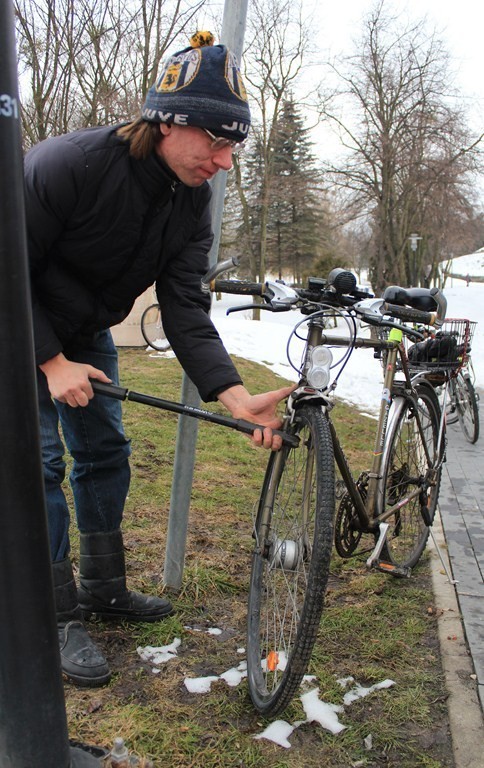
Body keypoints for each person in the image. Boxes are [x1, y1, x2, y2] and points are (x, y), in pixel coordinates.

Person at [25, 32, 294, 688]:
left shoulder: (190, 201)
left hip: (85, 330)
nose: (226, 161)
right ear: (171, 123)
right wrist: (49, 361)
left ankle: (104, 590)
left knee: (106, 453)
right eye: (219, 142)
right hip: (19, 323)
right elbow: (7, 272)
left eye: (236, 146)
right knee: (41, 462)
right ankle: (50, 616)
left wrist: (233, 396)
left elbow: (184, 310)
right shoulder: (68, 164)